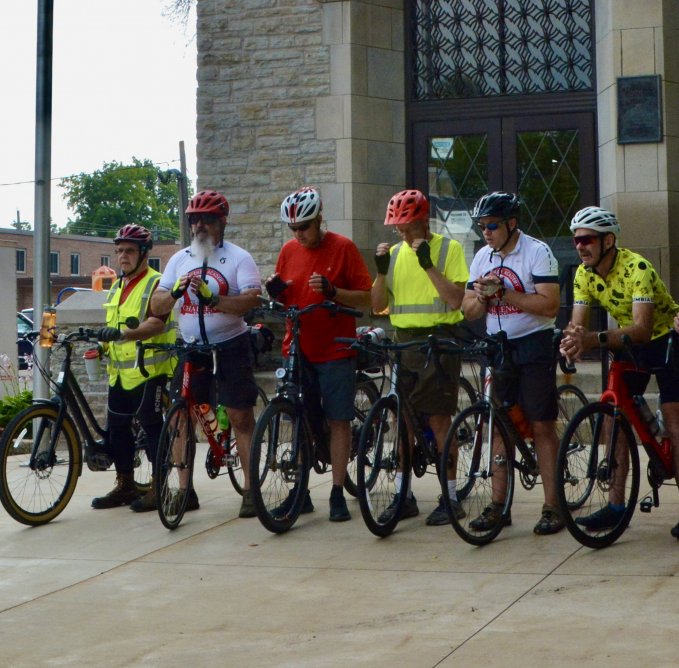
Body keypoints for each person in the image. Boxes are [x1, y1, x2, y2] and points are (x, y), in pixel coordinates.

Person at [559, 208, 679, 538]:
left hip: (663, 338)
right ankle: (616, 505)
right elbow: (579, 325)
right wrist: (572, 341)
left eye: (587, 239)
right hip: (625, 340)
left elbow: (644, 330)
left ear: (608, 241)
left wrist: (594, 339)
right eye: (576, 240)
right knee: (612, 416)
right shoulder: (583, 274)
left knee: (675, 419)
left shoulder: (638, 269)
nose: (580, 246)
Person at [148, 191, 263, 516]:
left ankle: (251, 490)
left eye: (207, 219)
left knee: (240, 417)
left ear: (222, 221)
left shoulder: (239, 258)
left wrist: (215, 300)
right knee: (181, 417)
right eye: (194, 220)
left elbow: (251, 300)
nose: (200, 225)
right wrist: (175, 292)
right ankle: (186, 491)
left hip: (230, 345)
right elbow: (156, 306)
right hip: (191, 348)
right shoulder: (179, 259)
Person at [264, 187, 373, 522]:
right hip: (297, 348)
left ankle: (337, 493)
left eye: (305, 228)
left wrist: (332, 291)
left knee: (338, 419)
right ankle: (301, 493)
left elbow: (368, 299)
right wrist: (275, 295)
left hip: (336, 347)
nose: (299, 235)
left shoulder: (343, 248)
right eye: (294, 230)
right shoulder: (288, 251)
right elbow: (287, 300)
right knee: (298, 418)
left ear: (319, 219)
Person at [459, 192, 562, 535]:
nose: (485, 232)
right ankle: (499, 505)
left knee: (542, 424)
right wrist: (483, 297)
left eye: (492, 225)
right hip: (498, 348)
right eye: (481, 226)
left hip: (534, 345)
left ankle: (553, 505)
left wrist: (504, 293)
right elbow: (469, 310)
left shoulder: (536, 251)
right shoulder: (482, 257)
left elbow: (549, 306)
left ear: (511, 224)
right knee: (498, 425)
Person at [370, 188, 470, 526]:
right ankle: (403, 496)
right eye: (397, 228)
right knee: (401, 421)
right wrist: (381, 271)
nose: (402, 233)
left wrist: (427, 263)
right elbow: (377, 304)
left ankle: (452, 498)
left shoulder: (449, 249)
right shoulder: (396, 254)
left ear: (424, 221)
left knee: (440, 420)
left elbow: (456, 300)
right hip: (404, 343)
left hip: (440, 342)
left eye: (408, 227)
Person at [88, 224, 174, 512]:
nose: (122, 256)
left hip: (150, 369)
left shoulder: (157, 283)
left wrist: (124, 335)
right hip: (121, 374)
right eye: (119, 251)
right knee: (118, 429)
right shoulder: (117, 285)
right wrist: (101, 346)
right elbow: (114, 327)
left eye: (129, 250)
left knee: (152, 428)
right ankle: (125, 484)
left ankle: (159, 487)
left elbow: (157, 323)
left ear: (144, 254)